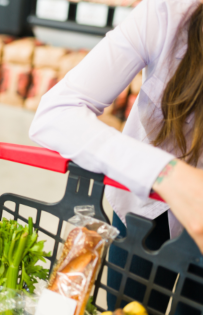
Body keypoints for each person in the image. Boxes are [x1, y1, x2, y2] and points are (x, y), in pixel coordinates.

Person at [29, 0, 203, 311]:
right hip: (147, 209)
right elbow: (55, 114)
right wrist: (165, 173)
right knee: (129, 304)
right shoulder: (167, 13)